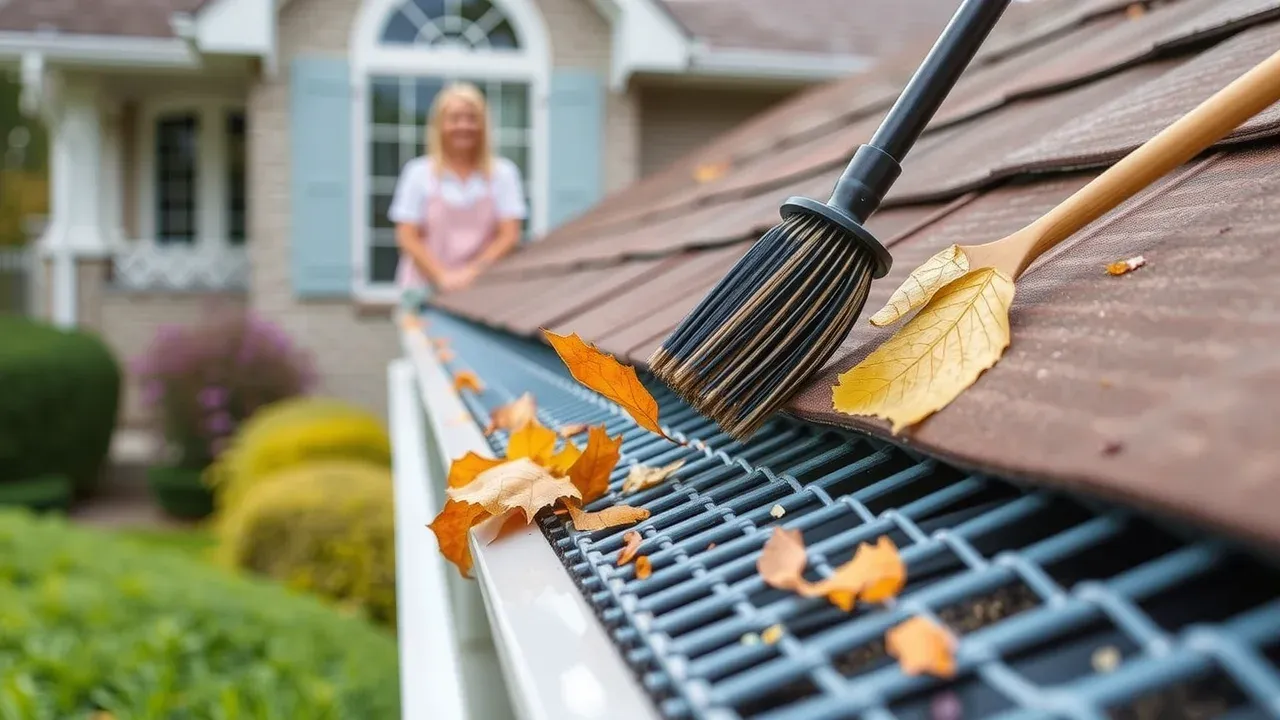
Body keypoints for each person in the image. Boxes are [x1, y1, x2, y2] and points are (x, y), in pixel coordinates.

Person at [388, 81, 527, 304]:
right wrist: (442, 276)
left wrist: (471, 273)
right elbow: (406, 236)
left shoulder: (504, 174)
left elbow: (509, 235)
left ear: (483, 125)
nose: (464, 125)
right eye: (454, 118)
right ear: (439, 125)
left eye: (472, 118)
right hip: (422, 290)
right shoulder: (417, 173)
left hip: (484, 291)